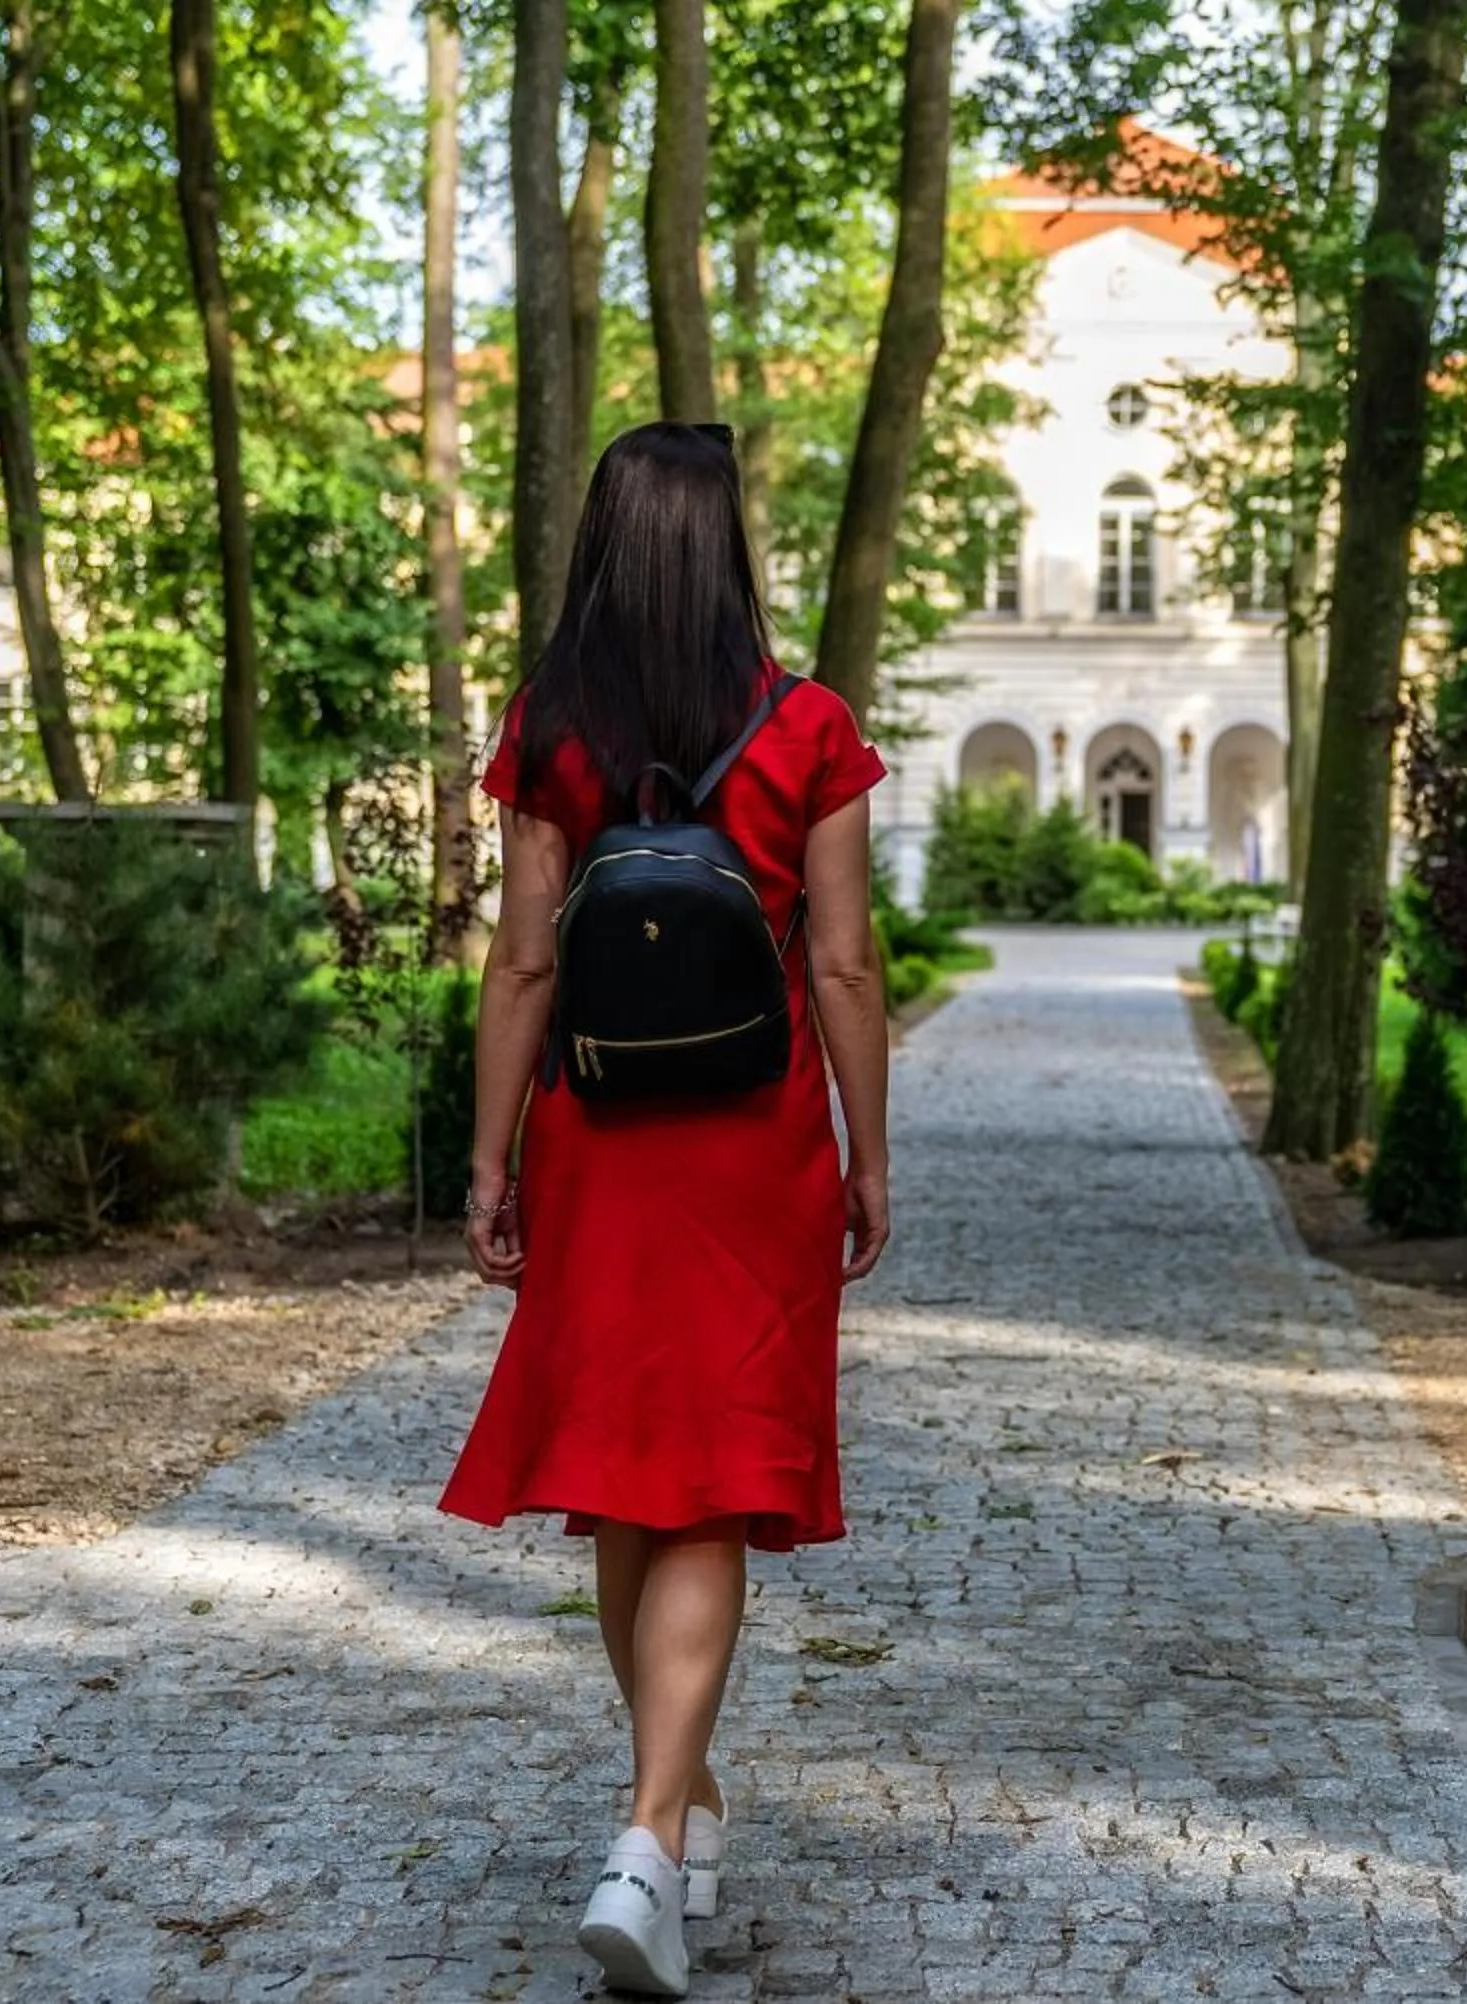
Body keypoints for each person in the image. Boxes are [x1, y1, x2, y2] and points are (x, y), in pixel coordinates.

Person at [438, 421, 892, 1998]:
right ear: (730, 551)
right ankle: (651, 1833)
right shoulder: (810, 722)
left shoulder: (552, 723)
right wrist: (868, 1151)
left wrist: (490, 1160)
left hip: (602, 1137)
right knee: (702, 1485)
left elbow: (521, 961)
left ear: (606, 549)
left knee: (633, 1479)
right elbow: (839, 962)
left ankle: (678, 1814)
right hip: (752, 1149)